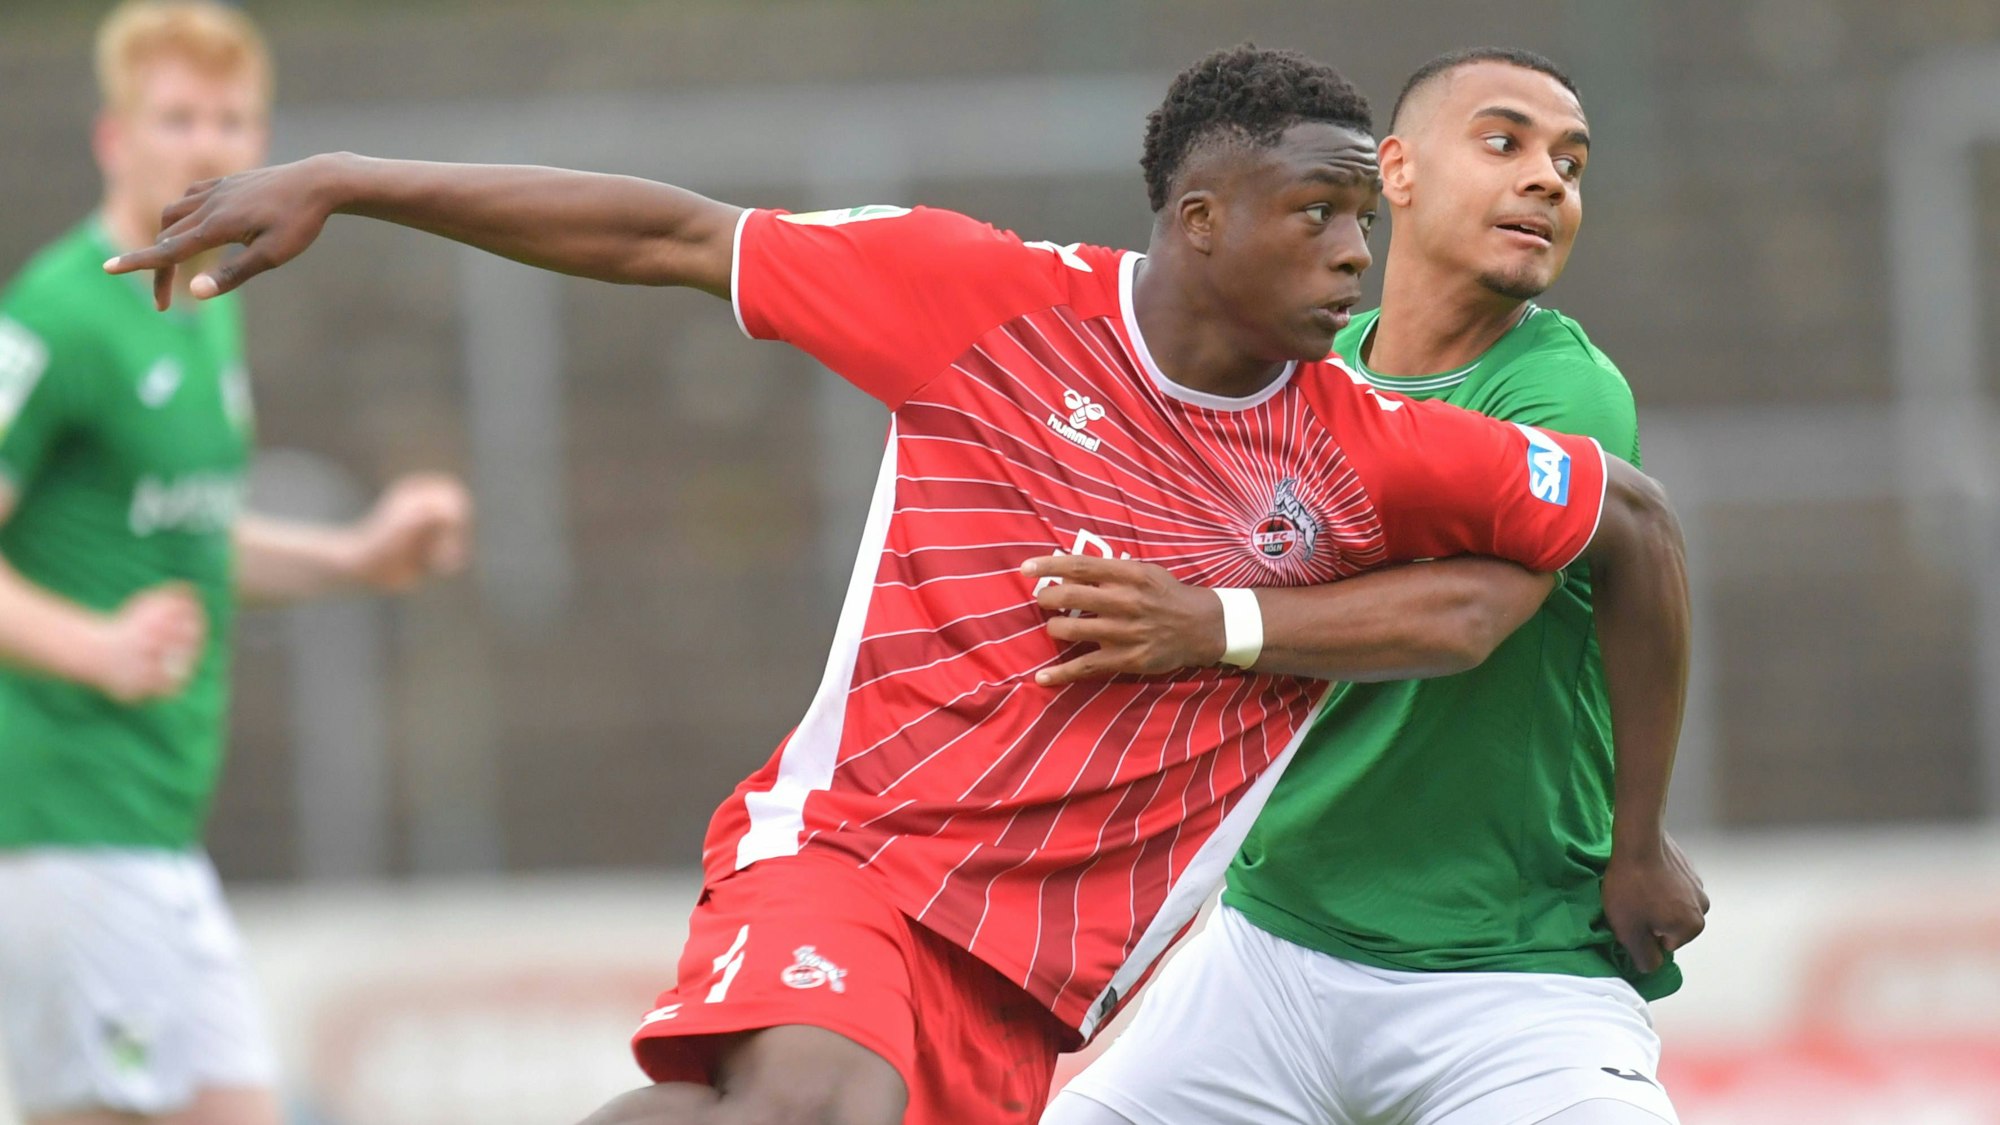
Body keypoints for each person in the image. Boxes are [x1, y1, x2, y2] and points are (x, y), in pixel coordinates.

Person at [106, 45, 1691, 1125]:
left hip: (1036, 977)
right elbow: (667, 233)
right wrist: (350, 176)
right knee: (816, 1104)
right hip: (858, 861)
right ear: (1201, 223)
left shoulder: (1373, 450)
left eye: (1363, 216)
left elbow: (1635, 534)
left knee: (730, 1114)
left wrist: (1634, 837)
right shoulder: (977, 301)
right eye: (1319, 214)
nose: (1356, 252)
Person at [1043, 48, 1700, 1125]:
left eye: (1571, 164)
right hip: (1269, 953)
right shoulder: (1299, 374)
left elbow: (1465, 615)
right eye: (1505, 144)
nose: (1547, 180)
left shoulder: (1559, 387)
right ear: (1391, 172)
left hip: (1509, 977)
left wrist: (1207, 624)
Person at [0, 4, 472, 1125]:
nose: (206, 145)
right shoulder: (57, 314)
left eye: (230, 119)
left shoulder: (205, 307)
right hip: (64, 816)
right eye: (176, 117)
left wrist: (360, 559)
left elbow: (191, 540)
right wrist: (93, 646)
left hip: (155, 827)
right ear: (115, 139)